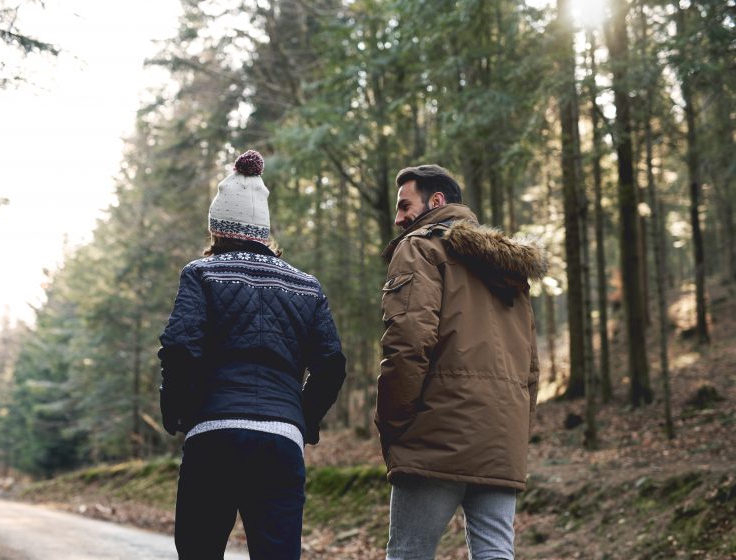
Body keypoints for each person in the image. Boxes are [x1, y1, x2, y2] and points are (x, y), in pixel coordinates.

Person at [158, 149, 346, 560]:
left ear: (217, 229)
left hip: (214, 435)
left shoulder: (201, 273)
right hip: (280, 441)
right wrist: (303, 418)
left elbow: (179, 348)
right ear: (263, 231)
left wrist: (177, 409)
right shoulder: (307, 286)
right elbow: (331, 365)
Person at [375, 164, 546, 560]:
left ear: (437, 201)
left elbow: (407, 343)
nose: (398, 218)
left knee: (408, 553)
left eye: (405, 205)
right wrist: (514, 427)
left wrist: (394, 423)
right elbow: (531, 367)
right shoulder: (509, 268)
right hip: (501, 435)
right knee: (495, 552)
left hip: (436, 431)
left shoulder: (419, 247)